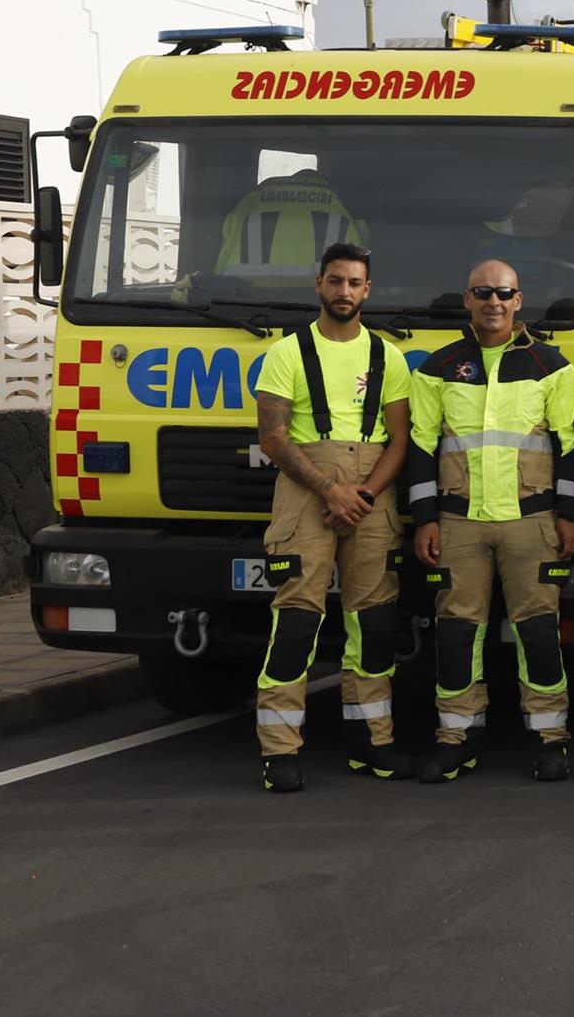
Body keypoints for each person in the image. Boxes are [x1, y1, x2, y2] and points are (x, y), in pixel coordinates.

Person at [407, 260, 574, 784]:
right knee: (457, 633)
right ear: (467, 300)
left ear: (518, 300)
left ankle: (550, 740)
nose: (493, 302)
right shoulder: (437, 369)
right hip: (458, 524)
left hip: (532, 523)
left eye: (502, 294)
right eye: (482, 293)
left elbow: (568, 446)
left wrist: (569, 516)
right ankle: (455, 739)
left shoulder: (552, 367)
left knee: (538, 633)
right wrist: (424, 520)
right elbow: (420, 446)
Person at [251, 242, 411, 793]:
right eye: (336, 281)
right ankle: (280, 751)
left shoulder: (388, 357)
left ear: (368, 291)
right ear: (318, 285)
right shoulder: (285, 353)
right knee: (296, 620)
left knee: (374, 624)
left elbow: (400, 439)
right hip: (305, 491)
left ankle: (372, 743)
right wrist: (329, 490)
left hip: (370, 493)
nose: (345, 291)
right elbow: (272, 437)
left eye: (355, 283)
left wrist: (360, 493)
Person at [216, 167, 368, 277]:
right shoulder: (341, 209)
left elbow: (222, 260)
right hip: (323, 309)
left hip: (237, 308)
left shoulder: (249, 204)